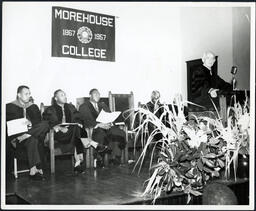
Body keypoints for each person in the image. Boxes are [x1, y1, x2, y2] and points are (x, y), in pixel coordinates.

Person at [43, 89, 108, 174]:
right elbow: (46, 122)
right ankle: (93, 144)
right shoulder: (50, 109)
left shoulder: (70, 107)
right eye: (62, 95)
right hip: (59, 134)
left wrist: (79, 123)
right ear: (56, 98)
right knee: (77, 131)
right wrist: (59, 127)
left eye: (65, 95)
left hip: (72, 133)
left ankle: (78, 164)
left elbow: (79, 117)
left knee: (77, 129)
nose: (65, 97)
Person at [6, 85, 49, 180]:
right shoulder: (9, 107)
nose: (29, 96)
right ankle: (35, 170)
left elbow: (38, 124)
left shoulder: (33, 107)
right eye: (26, 94)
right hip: (17, 138)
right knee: (33, 138)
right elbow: (7, 126)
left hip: (32, 135)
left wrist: (31, 123)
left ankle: (33, 171)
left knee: (45, 124)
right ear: (19, 95)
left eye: (29, 94)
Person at [79, 89, 126, 165]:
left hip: (107, 127)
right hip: (94, 129)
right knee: (101, 134)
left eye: (99, 94)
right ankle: (99, 159)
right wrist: (98, 125)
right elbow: (86, 120)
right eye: (95, 94)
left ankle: (116, 157)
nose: (98, 96)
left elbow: (110, 116)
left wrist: (110, 123)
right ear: (90, 96)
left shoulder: (103, 105)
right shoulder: (84, 106)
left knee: (119, 132)